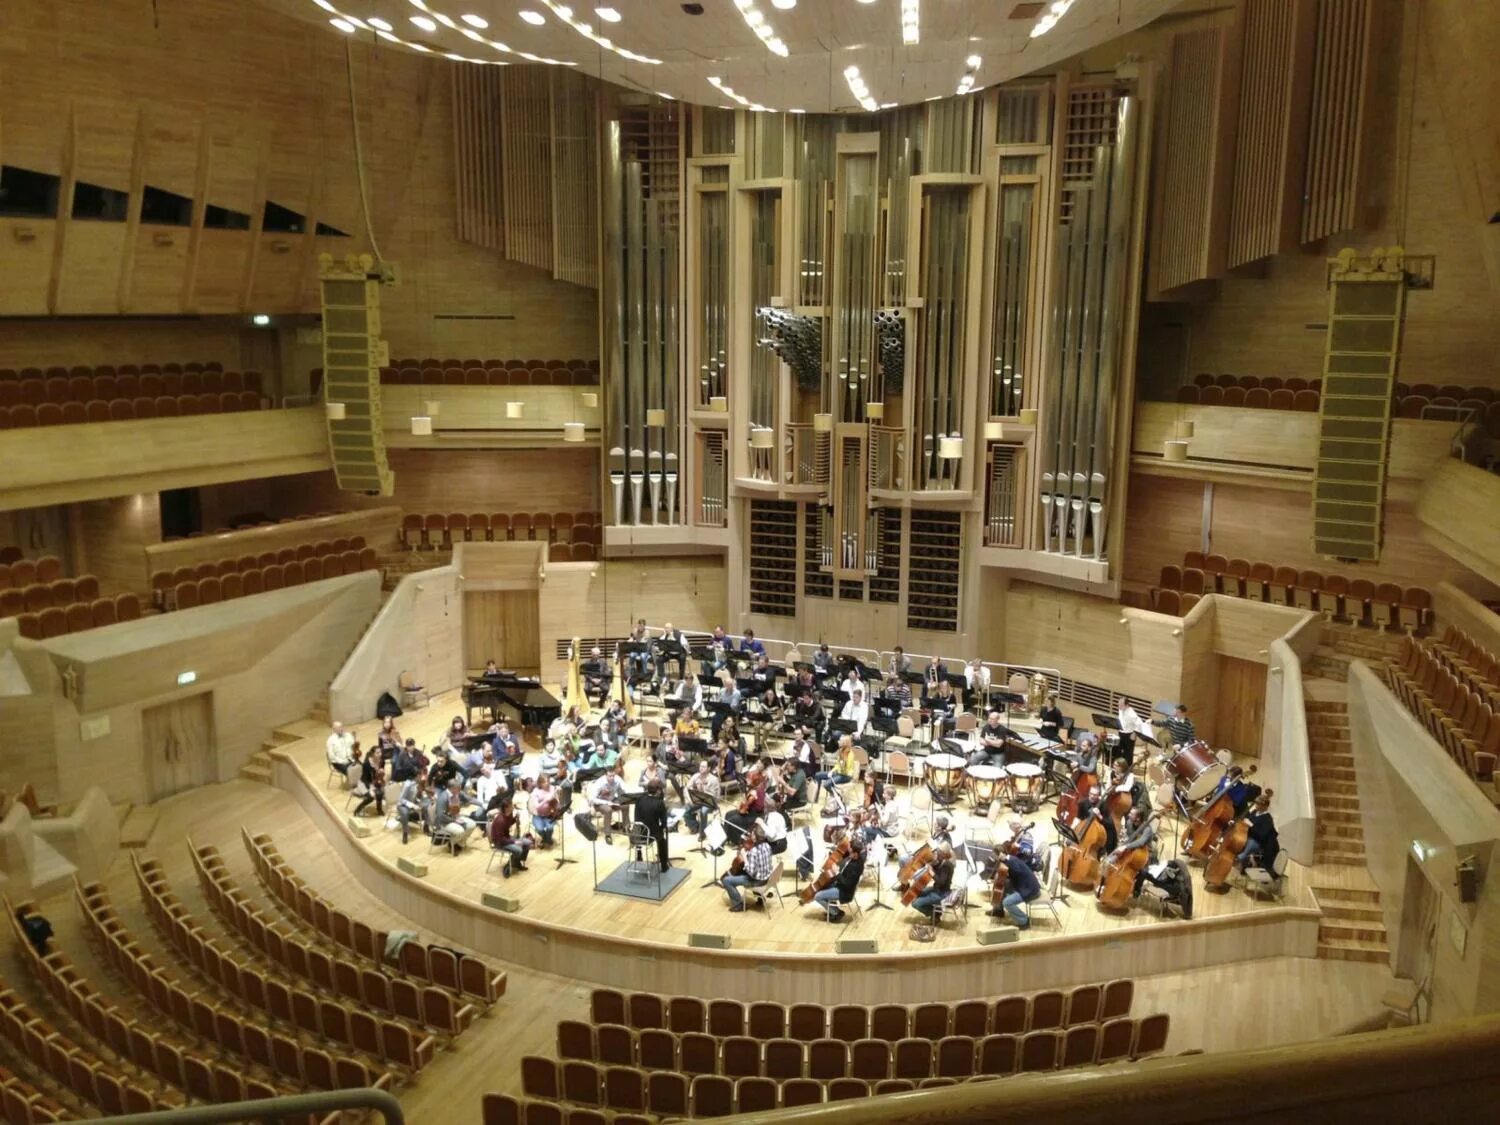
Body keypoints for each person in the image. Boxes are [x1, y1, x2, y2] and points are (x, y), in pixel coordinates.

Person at [812, 836, 866, 922]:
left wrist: (837, 873)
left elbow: (847, 884)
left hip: (844, 892)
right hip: (839, 885)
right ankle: (832, 909)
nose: (849, 851)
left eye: (850, 850)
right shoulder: (855, 858)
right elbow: (842, 861)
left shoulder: (856, 867)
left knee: (817, 896)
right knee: (821, 887)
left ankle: (836, 912)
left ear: (856, 854)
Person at [722, 825, 774, 912]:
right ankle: (760, 898)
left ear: (755, 838)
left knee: (726, 880)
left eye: (752, 834)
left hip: (756, 881)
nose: (751, 836)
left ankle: (738, 904)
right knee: (743, 871)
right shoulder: (767, 846)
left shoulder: (754, 851)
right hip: (767, 878)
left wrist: (745, 857)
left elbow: (751, 873)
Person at [990, 852, 1042, 928]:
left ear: (1003, 853)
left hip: (1030, 890)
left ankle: (1024, 921)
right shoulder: (1011, 858)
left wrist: (1005, 875)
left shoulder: (1012, 863)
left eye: (997, 855)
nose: (996, 857)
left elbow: (1015, 871)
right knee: (1002, 886)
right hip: (1027, 886)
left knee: (1007, 902)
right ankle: (998, 910)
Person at [1236, 790, 1280, 875]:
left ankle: (1240, 860)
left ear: (1265, 806)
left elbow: (1262, 834)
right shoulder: (1254, 812)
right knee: (1239, 841)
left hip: (1259, 841)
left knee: (1249, 846)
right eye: (1256, 804)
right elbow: (1247, 820)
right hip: (1249, 836)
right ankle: (1244, 864)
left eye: (1258, 804)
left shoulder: (1267, 819)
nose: (1256, 806)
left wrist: (1251, 825)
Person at [634, 779, 672, 872]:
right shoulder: (659, 803)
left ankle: (639, 854)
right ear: (658, 790)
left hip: (637, 832)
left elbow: (636, 816)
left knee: (641, 828)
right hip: (650, 835)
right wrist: (663, 827)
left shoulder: (640, 799)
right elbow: (663, 822)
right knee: (662, 840)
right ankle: (664, 866)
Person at [909, 846, 956, 920]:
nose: (936, 853)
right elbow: (936, 869)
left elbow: (941, 882)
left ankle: (935, 914)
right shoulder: (942, 861)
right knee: (916, 893)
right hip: (936, 889)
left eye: (939, 852)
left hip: (941, 893)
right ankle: (935, 910)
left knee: (915, 904)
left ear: (943, 854)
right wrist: (930, 864)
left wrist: (931, 872)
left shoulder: (947, 865)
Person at [488, 797, 532, 876]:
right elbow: (500, 839)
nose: (513, 806)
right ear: (506, 808)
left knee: (527, 843)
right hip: (499, 842)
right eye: (511, 805)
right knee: (518, 850)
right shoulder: (500, 820)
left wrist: (515, 819)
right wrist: (514, 841)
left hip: (506, 838)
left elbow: (508, 823)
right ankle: (508, 867)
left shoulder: (508, 814)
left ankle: (516, 862)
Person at [684, 760, 721, 838]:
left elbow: (716, 797)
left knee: (703, 811)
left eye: (703, 767)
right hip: (699, 801)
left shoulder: (713, 779)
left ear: (708, 769)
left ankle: (702, 833)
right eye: (700, 766)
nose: (701, 768)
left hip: (710, 803)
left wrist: (703, 790)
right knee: (686, 809)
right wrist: (689, 799)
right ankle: (695, 827)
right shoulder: (696, 776)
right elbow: (686, 788)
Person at [815, 735, 858, 800]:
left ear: (844, 743)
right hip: (838, 773)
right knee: (818, 775)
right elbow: (837, 765)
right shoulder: (841, 751)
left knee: (826, 784)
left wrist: (841, 766)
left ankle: (838, 796)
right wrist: (832, 771)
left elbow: (846, 770)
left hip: (845, 776)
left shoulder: (850, 754)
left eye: (840, 740)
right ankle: (815, 796)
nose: (838, 741)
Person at [395, 768, 427, 844]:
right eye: (421, 775)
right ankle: (405, 833)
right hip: (402, 805)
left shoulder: (417, 783)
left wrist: (420, 796)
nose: (422, 777)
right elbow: (401, 799)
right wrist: (412, 805)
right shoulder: (407, 784)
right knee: (405, 813)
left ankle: (426, 828)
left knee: (426, 806)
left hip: (412, 803)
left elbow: (415, 796)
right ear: (417, 776)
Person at [528, 773, 560, 846]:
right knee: (540, 829)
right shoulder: (536, 791)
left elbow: (557, 803)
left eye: (548, 781)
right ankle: (546, 838)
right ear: (540, 783)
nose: (547, 783)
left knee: (550, 828)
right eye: (545, 782)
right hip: (538, 815)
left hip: (549, 814)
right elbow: (537, 807)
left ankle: (547, 839)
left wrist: (557, 796)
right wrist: (545, 800)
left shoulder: (553, 788)